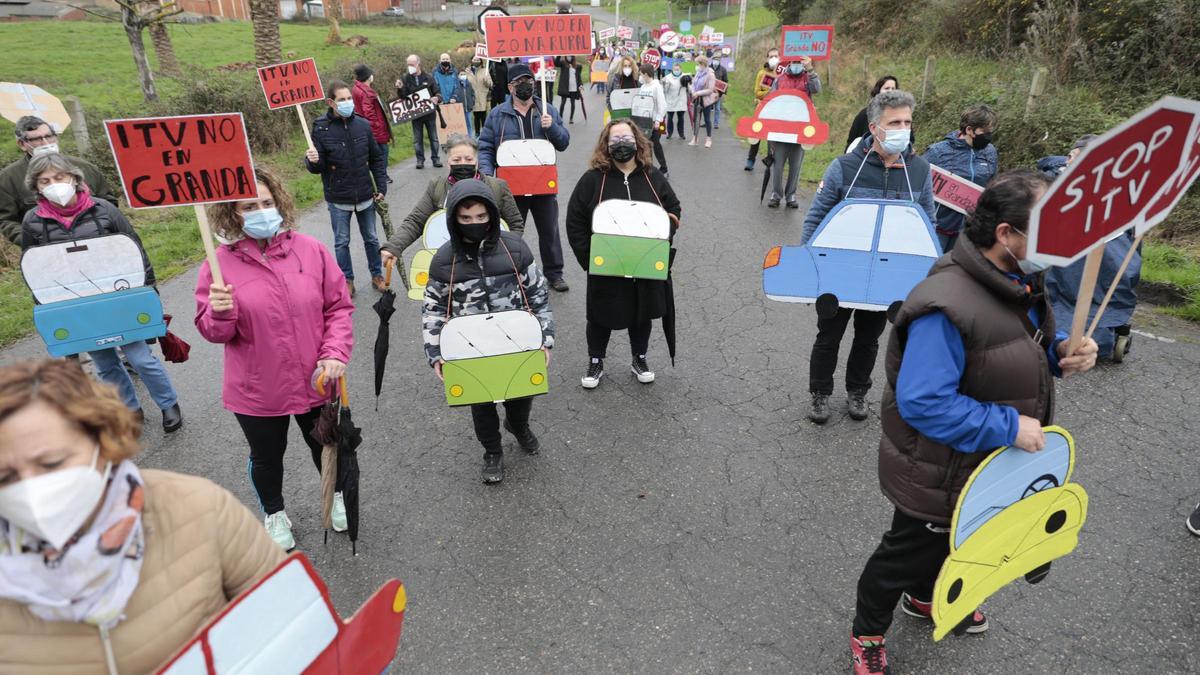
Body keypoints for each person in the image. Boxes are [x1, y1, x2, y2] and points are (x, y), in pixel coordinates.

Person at [848, 171, 1099, 674]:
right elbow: (923, 402)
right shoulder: (947, 305)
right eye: (1050, 227)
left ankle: (925, 598)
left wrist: (1059, 352)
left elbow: (1007, 351)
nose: (1063, 240)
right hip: (938, 466)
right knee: (905, 552)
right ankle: (867, 632)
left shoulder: (1019, 281)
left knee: (962, 538)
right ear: (1006, 234)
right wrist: (1009, 427)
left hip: (983, 463)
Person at [0, 359, 284, 674]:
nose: (31, 488)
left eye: (52, 463)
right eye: (5, 477)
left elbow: (290, 616)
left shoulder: (201, 509)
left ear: (104, 441)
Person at [195, 167, 354, 551]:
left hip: (317, 378)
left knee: (327, 445)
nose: (261, 211)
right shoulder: (217, 265)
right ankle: (274, 511)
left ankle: (334, 495)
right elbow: (214, 333)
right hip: (257, 387)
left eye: (266, 203)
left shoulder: (310, 250)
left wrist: (334, 353)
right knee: (267, 457)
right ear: (232, 214)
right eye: (249, 206)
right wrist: (219, 311)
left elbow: (338, 307)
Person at [20, 152, 183, 433]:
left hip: (117, 297)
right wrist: (50, 310)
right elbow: (33, 268)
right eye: (45, 180)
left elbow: (134, 249)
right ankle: (130, 410)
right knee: (105, 363)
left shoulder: (104, 209)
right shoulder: (32, 221)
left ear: (73, 177)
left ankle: (168, 403)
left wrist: (148, 292)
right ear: (36, 187)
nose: (54, 184)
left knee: (140, 357)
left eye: (59, 177)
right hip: (77, 304)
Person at [802, 90, 936, 424]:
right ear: (875, 127)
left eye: (907, 121)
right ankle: (820, 394)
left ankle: (857, 391)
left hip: (888, 275)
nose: (903, 128)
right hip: (840, 268)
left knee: (869, 338)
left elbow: (929, 224)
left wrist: (927, 272)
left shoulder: (919, 171)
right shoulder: (844, 167)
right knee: (828, 336)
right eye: (895, 122)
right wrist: (807, 265)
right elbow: (816, 215)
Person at [421, 179, 554, 484]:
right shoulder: (444, 261)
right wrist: (436, 354)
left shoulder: (516, 250)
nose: (474, 224)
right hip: (470, 350)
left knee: (521, 395)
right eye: (465, 219)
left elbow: (539, 297)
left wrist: (545, 339)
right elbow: (433, 311)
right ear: (454, 218)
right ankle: (492, 450)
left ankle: (517, 426)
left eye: (481, 217)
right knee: (481, 403)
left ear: (492, 216)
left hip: (518, 343)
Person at [566, 121, 681, 389]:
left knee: (641, 312)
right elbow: (575, 221)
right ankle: (595, 360)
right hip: (606, 264)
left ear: (637, 141)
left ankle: (639, 358)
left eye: (626, 137)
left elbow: (673, 208)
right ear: (606, 144)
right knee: (599, 314)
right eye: (615, 138)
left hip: (644, 263)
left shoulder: (653, 177)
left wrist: (662, 242)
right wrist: (590, 259)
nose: (621, 142)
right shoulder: (593, 179)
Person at [1041, 134, 1139, 362]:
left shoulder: (1118, 184)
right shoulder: (1052, 178)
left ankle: (1095, 335)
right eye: (1072, 156)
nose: (1071, 161)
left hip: (1104, 251)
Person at [478, 63, 572, 293]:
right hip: (511, 186)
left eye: (529, 80)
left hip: (543, 184)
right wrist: (488, 174)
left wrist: (552, 128)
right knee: (510, 232)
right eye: (520, 82)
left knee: (549, 231)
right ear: (510, 87)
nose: (526, 85)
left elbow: (564, 143)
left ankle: (554, 274)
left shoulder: (547, 110)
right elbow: (486, 147)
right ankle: (508, 272)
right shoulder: (497, 114)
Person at [380, 133, 525, 265]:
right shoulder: (437, 187)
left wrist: (503, 252)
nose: (463, 163)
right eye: (457, 159)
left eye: (468, 159)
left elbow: (515, 224)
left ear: (477, 160)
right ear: (448, 161)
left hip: (492, 261)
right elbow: (416, 221)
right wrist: (393, 247)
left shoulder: (497, 187)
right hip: (452, 262)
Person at [305, 80, 389, 297]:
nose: (347, 103)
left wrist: (381, 187)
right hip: (338, 198)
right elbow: (318, 167)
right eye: (342, 100)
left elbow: (376, 159)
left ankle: (376, 274)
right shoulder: (321, 128)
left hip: (365, 194)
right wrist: (312, 160)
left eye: (349, 98)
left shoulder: (363, 125)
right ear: (331, 102)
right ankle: (347, 279)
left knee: (371, 238)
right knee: (342, 242)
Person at [1, 115, 115, 245]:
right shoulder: (8, 178)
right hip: (46, 251)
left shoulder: (85, 167)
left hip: (96, 243)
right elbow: (5, 220)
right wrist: (32, 240)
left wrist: (101, 230)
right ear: (22, 144)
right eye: (37, 139)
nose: (45, 143)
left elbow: (109, 203)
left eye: (49, 136)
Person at [922, 104, 1000, 251]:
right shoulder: (938, 151)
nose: (989, 136)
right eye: (985, 132)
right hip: (939, 227)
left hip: (969, 230)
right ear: (969, 130)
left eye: (991, 132)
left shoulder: (990, 152)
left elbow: (992, 185)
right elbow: (918, 182)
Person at [766, 55, 822, 208]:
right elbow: (771, 99)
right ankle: (776, 194)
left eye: (800, 62)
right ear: (789, 62)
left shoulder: (807, 78)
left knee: (795, 165)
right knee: (777, 164)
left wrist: (810, 69)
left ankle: (790, 195)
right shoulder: (780, 79)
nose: (797, 65)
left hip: (801, 129)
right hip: (781, 129)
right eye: (795, 62)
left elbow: (817, 89)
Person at [397, 54, 443, 169]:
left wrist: (436, 98)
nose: (410, 67)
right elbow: (403, 97)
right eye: (408, 65)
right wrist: (399, 88)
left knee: (434, 137)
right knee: (417, 139)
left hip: (429, 114)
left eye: (412, 65)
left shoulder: (429, 77)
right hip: (416, 115)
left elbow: (438, 92)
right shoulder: (405, 78)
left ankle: (436, 159)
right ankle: (420, 160)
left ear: (418, 64)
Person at [351, 64, 394, 180]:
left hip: (365, 127)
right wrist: (377, 125)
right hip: (375, 130)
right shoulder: (366, 92)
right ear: (368, 76)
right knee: (382, 152)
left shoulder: (356, 89)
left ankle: (379, 175)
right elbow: (368, 113)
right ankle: (381, 176)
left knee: (375, 154)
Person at [745, 47, 781, 171]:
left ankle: (770, 160)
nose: (774, 58)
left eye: (776, 56)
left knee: (772, 138)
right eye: (771, 56)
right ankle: (750, 159)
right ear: (767, 58)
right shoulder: (762, 73)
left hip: (776, 111)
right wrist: (770, 92)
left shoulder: (782, 74)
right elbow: (757, 93)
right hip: (762, 108)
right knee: (756, 134)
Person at [634, 63, 670, 176]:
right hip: (644, 120)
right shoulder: (643, 87)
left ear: (645, 74)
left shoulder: (656, 86)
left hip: (654, 121)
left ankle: (664, 168)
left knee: (656, 144)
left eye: (641, 74)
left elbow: (663, 105)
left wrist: (658, 120)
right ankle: (649, 167)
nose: (640, 76)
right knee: (646, 145)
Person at [846, 76, 898, 150]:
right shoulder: (864, 114)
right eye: (886, 88)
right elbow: (851, 141)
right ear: (878, 91)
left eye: (893, 88)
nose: (890, 91)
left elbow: (909, 139)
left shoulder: (900, 116)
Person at [688, 56, 719, 149]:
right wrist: (693, 91)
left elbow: (710, 90)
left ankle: (708, 139)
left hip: (706, 100)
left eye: (698, 64)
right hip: (696, 99)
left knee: (707, 119)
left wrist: (698, 93)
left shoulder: (710, 74)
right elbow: (694, 83)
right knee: (696, 119)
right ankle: (695, 138)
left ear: (703, 64)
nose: (697, 66)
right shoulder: (698, 72)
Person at [464, 57, 493, 135]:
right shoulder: (467, 71)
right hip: (473, 96)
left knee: (483, 114)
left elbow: (490, 84)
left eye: (478, 60)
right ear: (471, 61)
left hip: (483, 96)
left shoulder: (485, 71)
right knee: (476, 115)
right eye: (474, 60)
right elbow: (464, 83)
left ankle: (485, 132)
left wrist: (487, 81)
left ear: (481, 61)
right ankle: (477, 133)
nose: (476, 61)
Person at [663, 62, 689, 141]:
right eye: (675, 69)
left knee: (681, 118)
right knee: (670, 118)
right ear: (672, 69)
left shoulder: (685, 76)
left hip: (681, 101)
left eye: (678, 69)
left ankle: (681, 133)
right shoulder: (667, 77)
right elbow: (664, 90)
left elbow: (690, 88)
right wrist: (666, 85)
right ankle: (669, 133)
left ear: (680, 69)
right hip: (671, 101)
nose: (676, 71)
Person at [555, 55, 584, 123]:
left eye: (570, 56)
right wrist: (559, 55)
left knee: (572, 103)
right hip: (565, 87)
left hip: (574, 87)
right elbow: (556, 63)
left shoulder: (577, 66)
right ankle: (560, 117)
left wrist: (581, 85)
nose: (569, 57)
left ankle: (571, 118)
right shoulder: (563, 64)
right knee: (563, 102)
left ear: (573, 57)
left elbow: (578, 77)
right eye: (567, 56)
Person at [709, 51, 729, 130]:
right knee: (708, 108)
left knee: (717, 109)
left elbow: (725, 81)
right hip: (709, 92)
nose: (716, 61)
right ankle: (707, 122)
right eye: (715, 59)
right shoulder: (708, 68)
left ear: (719, 60)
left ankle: (716, 123)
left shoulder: (723, 70)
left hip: (718, 93)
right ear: (712, 59)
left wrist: (724, 92)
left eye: (718, 59)